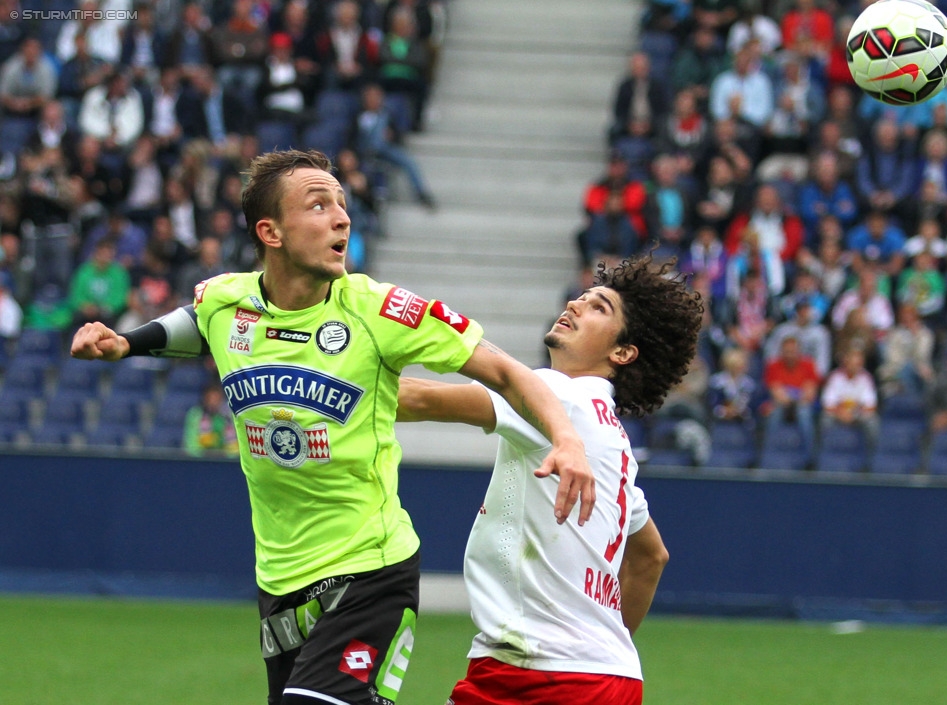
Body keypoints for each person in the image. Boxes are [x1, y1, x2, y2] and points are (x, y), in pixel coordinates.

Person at [69, 149, 595, 705]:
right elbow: (196, 322)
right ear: (270, 232)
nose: (342, 217)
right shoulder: (226, 301)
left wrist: (566, 439)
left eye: (342, 205)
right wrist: (126, 343)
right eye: (319, 205)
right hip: (278, 578)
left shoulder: (380, 312)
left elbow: (508, 372)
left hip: (371, 569)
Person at [396, 254, 703, 705]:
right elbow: (650, 558)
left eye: (600, 307)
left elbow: (418, 399)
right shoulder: (615, 439)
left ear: (622, 353)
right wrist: (601, 648)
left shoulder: (560, 395)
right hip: (603, 674)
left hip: (539, 674)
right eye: (582, 297)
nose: (577, 304)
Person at [183, 381, 238, 456]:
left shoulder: (229, 416)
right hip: (200, 461)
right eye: (210, 399)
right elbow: (191, 446)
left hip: (224, 462)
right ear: (205, 399)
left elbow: (234, 448)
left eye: (216, 399)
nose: (213, 403)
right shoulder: (195, 415)